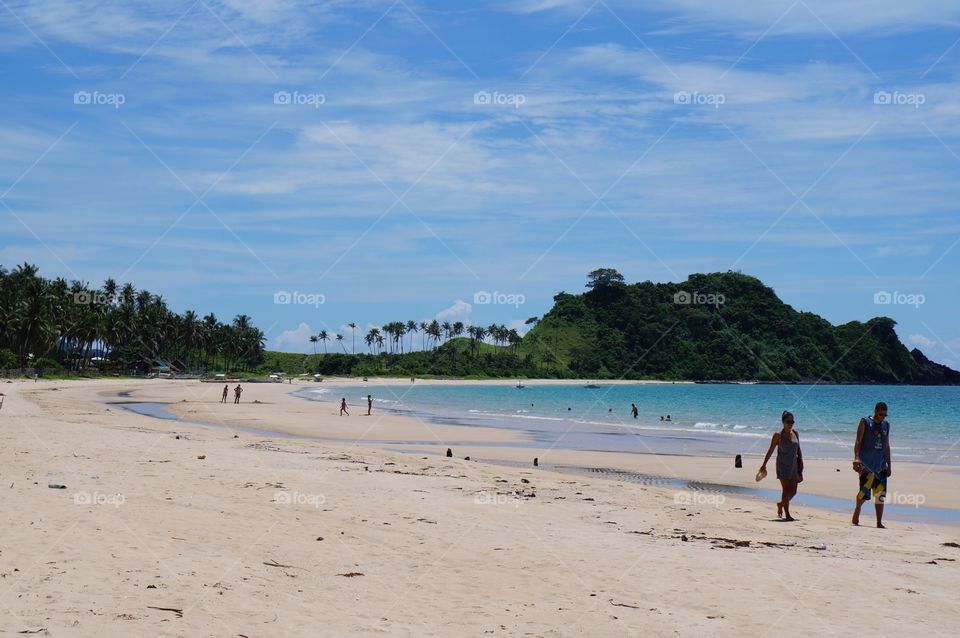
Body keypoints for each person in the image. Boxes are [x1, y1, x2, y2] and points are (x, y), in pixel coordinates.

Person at [852, 402, 891, 528]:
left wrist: (889, 465)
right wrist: (856, 458)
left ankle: (879, 522)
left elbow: (886, 446)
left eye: (885, 415)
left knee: (880, 495)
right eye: (880, 414)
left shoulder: (886, 425)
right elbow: (858, 440)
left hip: (880, 466)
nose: (882, 417)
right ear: (875, 411)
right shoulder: (865, 422)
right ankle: (857, 509)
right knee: (864, 494)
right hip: (866, 465)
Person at [759, 410, 803, 521]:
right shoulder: (778, 435)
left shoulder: (796, 433)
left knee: (793, 491)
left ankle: (781, 504)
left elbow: (799, 450)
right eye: (788, 422)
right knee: (786, 489)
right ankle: (787, 514)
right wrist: (764, 465)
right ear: (783, 422)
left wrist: (801, 464)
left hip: (793, 465)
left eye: (792, 422)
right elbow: (770, 450)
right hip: (782, 465)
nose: (790, 424)